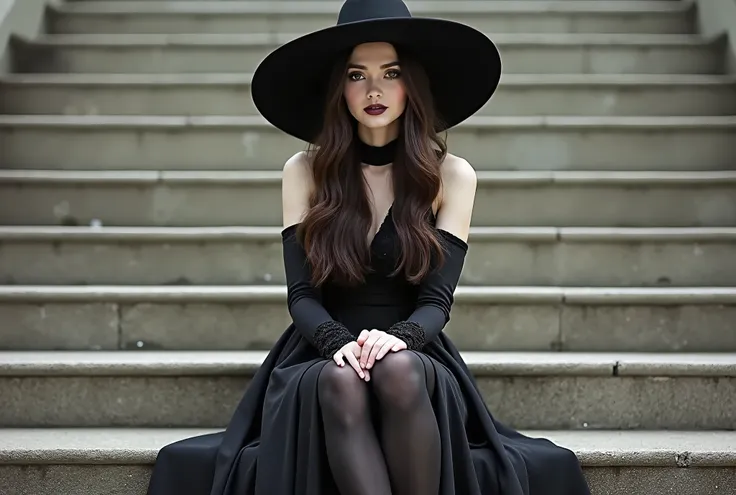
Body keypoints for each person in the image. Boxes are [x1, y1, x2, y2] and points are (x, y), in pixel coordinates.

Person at [146, 0, 591, 494]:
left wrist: (402, 337)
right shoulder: (304, 171)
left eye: (390, 72)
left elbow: (437, 302)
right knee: (340, 380)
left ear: (412, 85)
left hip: (413, 347)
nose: (373, 89)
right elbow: (301, 297)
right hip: (320, 349)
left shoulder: (452, 175)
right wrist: (338, 343)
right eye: (357, 75)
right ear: (340, 88)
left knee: (397, 372)